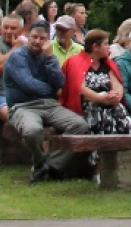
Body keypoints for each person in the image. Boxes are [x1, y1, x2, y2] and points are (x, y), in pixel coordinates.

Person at [5, 20, 91, 182]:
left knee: (80, 125)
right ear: (27, 37)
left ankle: (51, 166)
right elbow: (29, 85)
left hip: (50, 105)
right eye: (34, 37)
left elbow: (60, 82)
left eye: (42, 38)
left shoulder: (48, 56)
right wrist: (52, 90)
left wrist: (51, 58)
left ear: (47, 40)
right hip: (23, 106)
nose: (37, 42)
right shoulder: (17, 57)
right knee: (32, 131)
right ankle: (40, 163)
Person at [63, 29, 131, 135]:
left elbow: (117, 85)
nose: (109, 47)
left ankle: (128, 137)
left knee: (116, 108)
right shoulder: (76, 62)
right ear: (95, 47)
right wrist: (101, 98)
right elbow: (79, 88)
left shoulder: (107, 64)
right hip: (87, 106)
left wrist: (115, 96)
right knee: (98, 110)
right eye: (105, 44)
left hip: (109, 103)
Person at [0, 13, 23, 122]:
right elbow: (1, 67)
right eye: (5, 27)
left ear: (21, 30)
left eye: (13, 28)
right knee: (7, 113)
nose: (8, 31)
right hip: (1, 93)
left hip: (23, 92)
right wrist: (16, 47)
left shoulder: (27, 45)